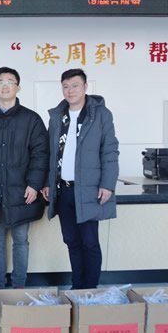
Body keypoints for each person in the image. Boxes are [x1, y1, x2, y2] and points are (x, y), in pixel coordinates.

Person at [42, 68, 119, 289]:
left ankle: (90, 290)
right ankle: (77, 288)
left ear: (85, 87)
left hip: (88, 189)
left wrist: (107, 184)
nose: (70, 90)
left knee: (90, 242)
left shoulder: (101, 115)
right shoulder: (58, 116)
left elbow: (110, 151)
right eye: (66, 86)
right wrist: (47, 182)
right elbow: (50, 153)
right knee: (71, 241)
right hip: (63, 189)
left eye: (75, 85)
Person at [0, 67, 48, 289]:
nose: (5, 86)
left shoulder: (31, 119)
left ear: (18, 87)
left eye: (10, 81)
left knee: (21, 240)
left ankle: (18, 286)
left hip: (21, 192)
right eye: (1, 82)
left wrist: (34, 184)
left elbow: (41, 154)